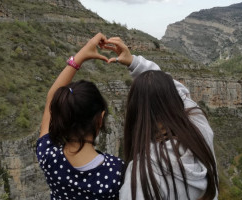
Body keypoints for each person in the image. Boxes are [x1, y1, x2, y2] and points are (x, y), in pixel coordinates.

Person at [105, 37, 219, 200]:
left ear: (136, 113)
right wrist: (134, 62)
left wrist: (134, 63)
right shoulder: (199, 126)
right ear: (173, 101)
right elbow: (178, 90)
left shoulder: (144, 173)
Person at [36, 33, 125, 200]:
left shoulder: (48, 157)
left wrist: (81, 55)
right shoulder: (117, 172)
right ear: (100, 119)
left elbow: (50, 100)